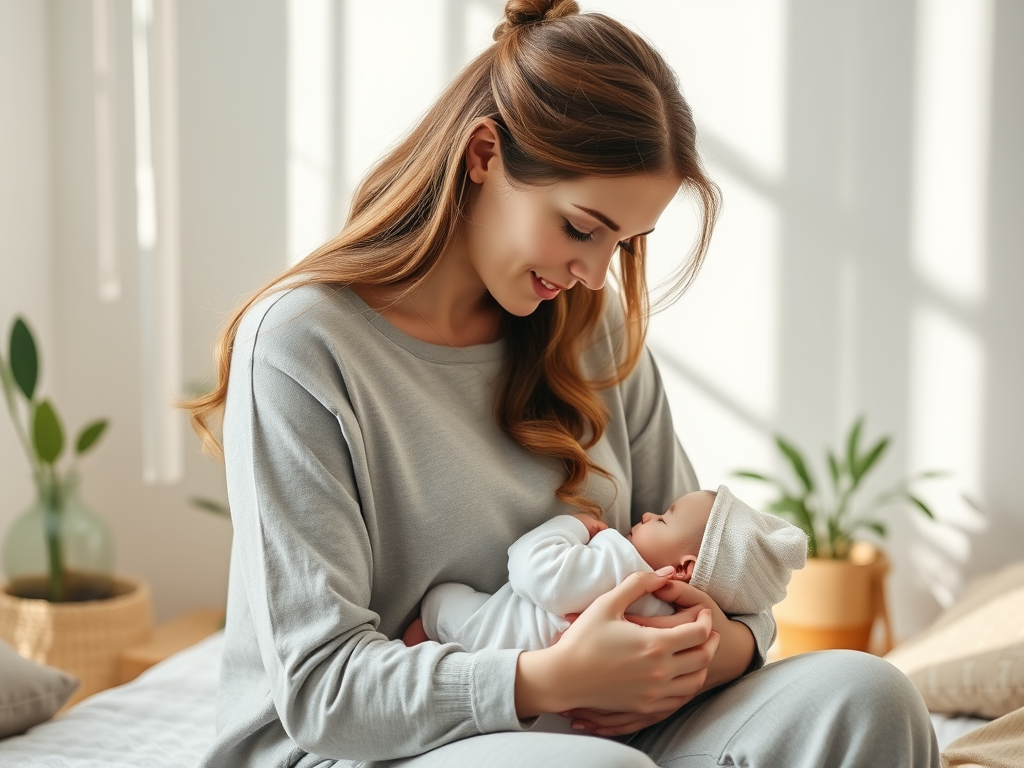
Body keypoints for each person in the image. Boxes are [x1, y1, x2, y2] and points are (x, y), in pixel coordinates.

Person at [186, 2, 940, 766]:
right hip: (366, 745)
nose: (593, 271)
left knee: (867, 696)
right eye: (582, 227)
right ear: (484, 155)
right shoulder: (302, 348)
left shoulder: (594, 329)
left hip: (597, 725)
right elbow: (323, 691)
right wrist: (545, 679)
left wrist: (719, 650)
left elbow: (701, 572)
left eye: (621, 241)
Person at [411, 486, 808, 658]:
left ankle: (414, 650)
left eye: (664, 518)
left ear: (687, 568)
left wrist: (574, 526)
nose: (649, 513)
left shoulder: (623, 567)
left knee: (441, 600)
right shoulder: (675, 619)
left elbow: (531, 570)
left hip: (492, 638)